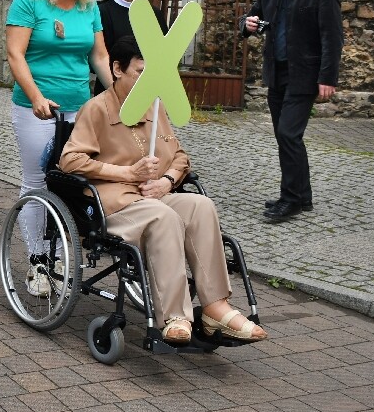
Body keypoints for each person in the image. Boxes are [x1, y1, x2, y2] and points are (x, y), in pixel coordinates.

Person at [59, 36, 268, 344]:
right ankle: (174, 315)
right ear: (117, 69)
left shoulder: (154, 108)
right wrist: (126, 172)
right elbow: (70, 160)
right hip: (115, 203)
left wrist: (167, 181)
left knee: (201, 207)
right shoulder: (97, 109)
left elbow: (180, 156)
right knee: (164, 217)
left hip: (154, 195)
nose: (149, 82)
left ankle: (214, 308)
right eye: (141, 73)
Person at [5, 0, 109, 296]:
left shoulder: (87, 5)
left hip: (79, 104)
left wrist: (117, 96)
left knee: (76, 179)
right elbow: (16, 54)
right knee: (38, 179)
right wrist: (35, 96)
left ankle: (63, 254)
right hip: (37, 106)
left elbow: (98, 56)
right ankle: (37, 261)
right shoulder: (29, 1)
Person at [241, 0, 343, 221]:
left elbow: (332, 38)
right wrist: (246, 25)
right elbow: (252, 20)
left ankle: (292, 200)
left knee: (288, 134)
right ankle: (303, 195)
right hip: (277, 72)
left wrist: (328, 77)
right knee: (286, 136)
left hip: (305, 75)